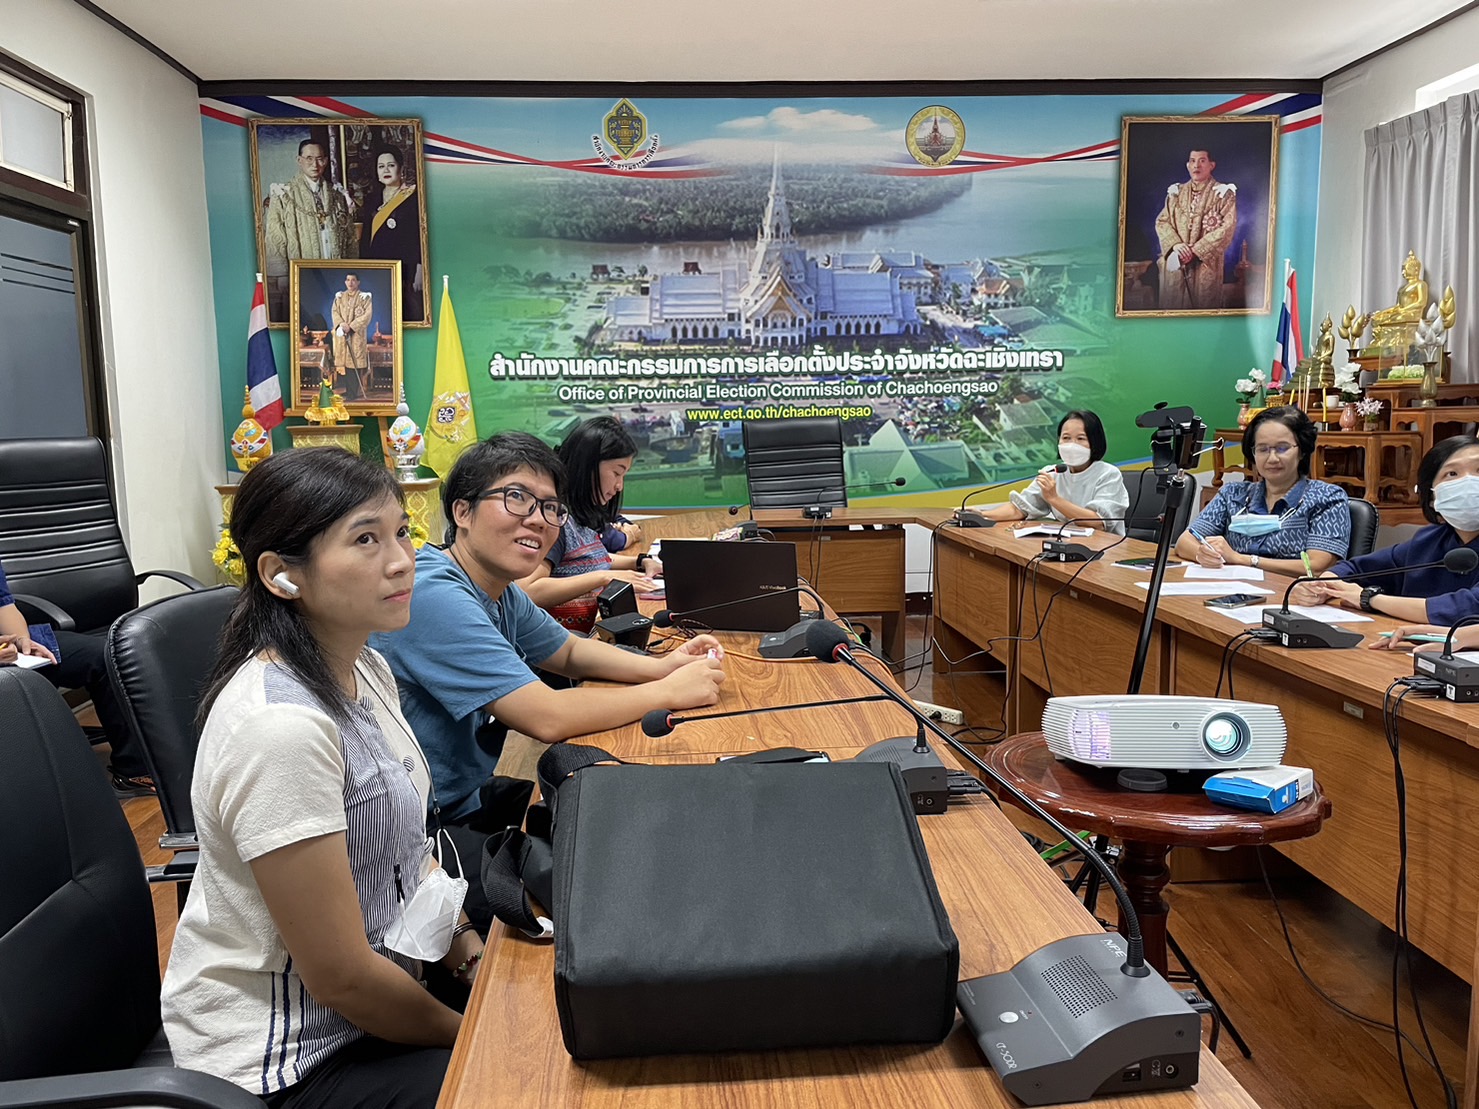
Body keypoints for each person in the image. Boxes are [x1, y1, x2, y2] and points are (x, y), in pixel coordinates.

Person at [161, 448, 478, 1107]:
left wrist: (468, 953)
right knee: (530, 1077)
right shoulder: (281, 728)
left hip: (379, 1003)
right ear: (280, 575)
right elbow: (342, 981)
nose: (402, 559)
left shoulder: (365, 666)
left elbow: (408, 848)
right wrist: (479, 1032)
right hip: (288, 1062)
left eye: (401, 531)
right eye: (365, 539)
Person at [370, 432, 725, 907]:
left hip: (463, 798)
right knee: (594, 891)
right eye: (516, 498)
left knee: (607, 826)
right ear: (462, 512)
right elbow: (546, 717)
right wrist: (671, 692)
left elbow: (570, 653)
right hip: (411, 835)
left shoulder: (496, 587)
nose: (538, 519)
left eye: (551, 507)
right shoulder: (436, 594)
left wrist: (664, 666)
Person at [0, 555, 154, 794]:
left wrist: (22, 641)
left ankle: (133, 772)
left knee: (105, 656)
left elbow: (4, 605)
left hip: (7, 649)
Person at [1295, 436, 1479, 624]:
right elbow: (1357, 568)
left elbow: (1464, 609)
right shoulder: (1429, 540)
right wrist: (1323, 586)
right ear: (1432, 497)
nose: (1468, 482)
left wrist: (1369, 599)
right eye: (1452, 474)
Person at [518, 417, 661, 632]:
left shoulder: (579, 517)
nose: (619, 486)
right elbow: (527, 590)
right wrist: (603, 577)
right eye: (617, 473)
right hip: (562, 641)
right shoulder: (556, 522)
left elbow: (591, 558)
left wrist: (640, 562)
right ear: (588, 466)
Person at [1175, 406, 1350, 577]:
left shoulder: (1326, 497)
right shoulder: (1233, 494)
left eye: (1282, 448)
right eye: (1263, 449)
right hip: (1232, 587)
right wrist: (1202, 554)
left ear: (1302, 451)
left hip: (1293, 592)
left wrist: (1243, 559)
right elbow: (1184, 542)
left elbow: (1317, 566)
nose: (1272, 458)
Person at [957, 410, 1130, 534]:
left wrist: (1054, 499)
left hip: (1104, 548)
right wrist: (982, 515)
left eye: (1080, 438)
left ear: (1095, 442)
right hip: (1066, 543)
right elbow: (1020, 508)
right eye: (1066, 438)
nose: (1072, 444)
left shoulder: (1108, 474)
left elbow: (1098, 523)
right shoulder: (1052, 472)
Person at [264, 135, 357, 318]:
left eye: (320, 158)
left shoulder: (337, 195)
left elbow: (349, 236)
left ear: (326, 161)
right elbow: (275, 236)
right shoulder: (283, 194)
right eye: (309, 158)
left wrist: (352, 268)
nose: (315, 164)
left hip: (335, 269)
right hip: (302, 272)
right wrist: (282, 276)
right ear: (299, 160)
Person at [1155, 148, 1237, 311]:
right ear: (1187, 165)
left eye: (1202, 160)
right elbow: (1162, 221)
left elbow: (1227, 228)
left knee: (1203, 309)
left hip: (1205, 266)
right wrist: (1176, 245)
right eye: (1192, 161)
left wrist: (1195, 251)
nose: (1196, 166)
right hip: (1176, 263)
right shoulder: (1176, 193)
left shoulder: (1223, 194)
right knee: (1174, 311)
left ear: (1211, 165)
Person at [359, 144, 424, 321]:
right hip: (377, 267)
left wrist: (420, 268)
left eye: (391, 165)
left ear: (401, 168)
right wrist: (363, 267)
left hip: (405, 268)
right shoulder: (371, 199)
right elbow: (366, 238)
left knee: (405, 312)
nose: (386, 170)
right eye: (381, 166)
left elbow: (418, 236)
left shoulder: (413, 197)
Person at [332, 272, 373, 400]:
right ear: (345, 282)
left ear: (358, 282)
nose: (350, 283)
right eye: (348, 280)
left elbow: (367, 315)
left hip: (356, 335)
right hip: (343, 333)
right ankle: (348, 390)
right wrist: (341, 324)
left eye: (353, 280)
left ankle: (353, 392)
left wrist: (352, 326)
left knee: (353, 363)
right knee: (345, 364)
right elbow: (334, 311)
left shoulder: (364, 298)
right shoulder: (339, 297)